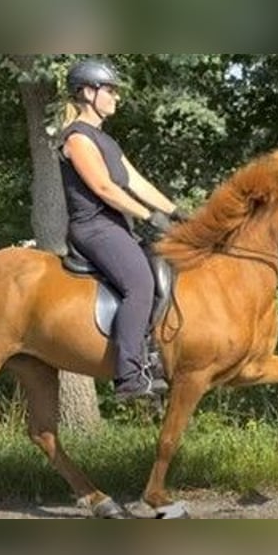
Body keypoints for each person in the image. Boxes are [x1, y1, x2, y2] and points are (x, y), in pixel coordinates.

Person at [57, 58, 187, 401]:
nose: (116, 97)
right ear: (87, 92)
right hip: (94, 227)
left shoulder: (105, 141)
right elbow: (104, 189)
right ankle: (130, 376)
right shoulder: (77, 139)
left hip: (116, 226)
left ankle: (153, 353)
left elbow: (135, 181)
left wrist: (174, 211)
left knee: (165, 271)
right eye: (110, 90)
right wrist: (148, 217)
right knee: (140, 282)